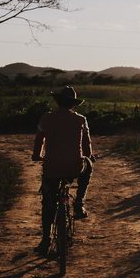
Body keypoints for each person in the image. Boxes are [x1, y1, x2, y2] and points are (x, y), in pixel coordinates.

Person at [31, 86, 94, 256]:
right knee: (89, 167)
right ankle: (79, 203)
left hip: (52, 167)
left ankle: (45, 240)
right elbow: (87, 145)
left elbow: (39, 141)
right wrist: (88, 156)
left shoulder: (46, 118)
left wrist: (37, 156)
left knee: (48, 204)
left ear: (57, 102)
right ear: (73, 104)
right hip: (75, 166)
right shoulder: (81, 120)